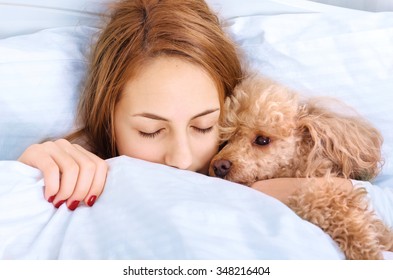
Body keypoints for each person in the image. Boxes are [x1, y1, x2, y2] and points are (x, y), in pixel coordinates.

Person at [17, 0, 358, 214]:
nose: (181, 160)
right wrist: (21, 178)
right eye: (150, 131)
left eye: (204, 127)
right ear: (108, 122)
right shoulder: (77, 170)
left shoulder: (262, 176)